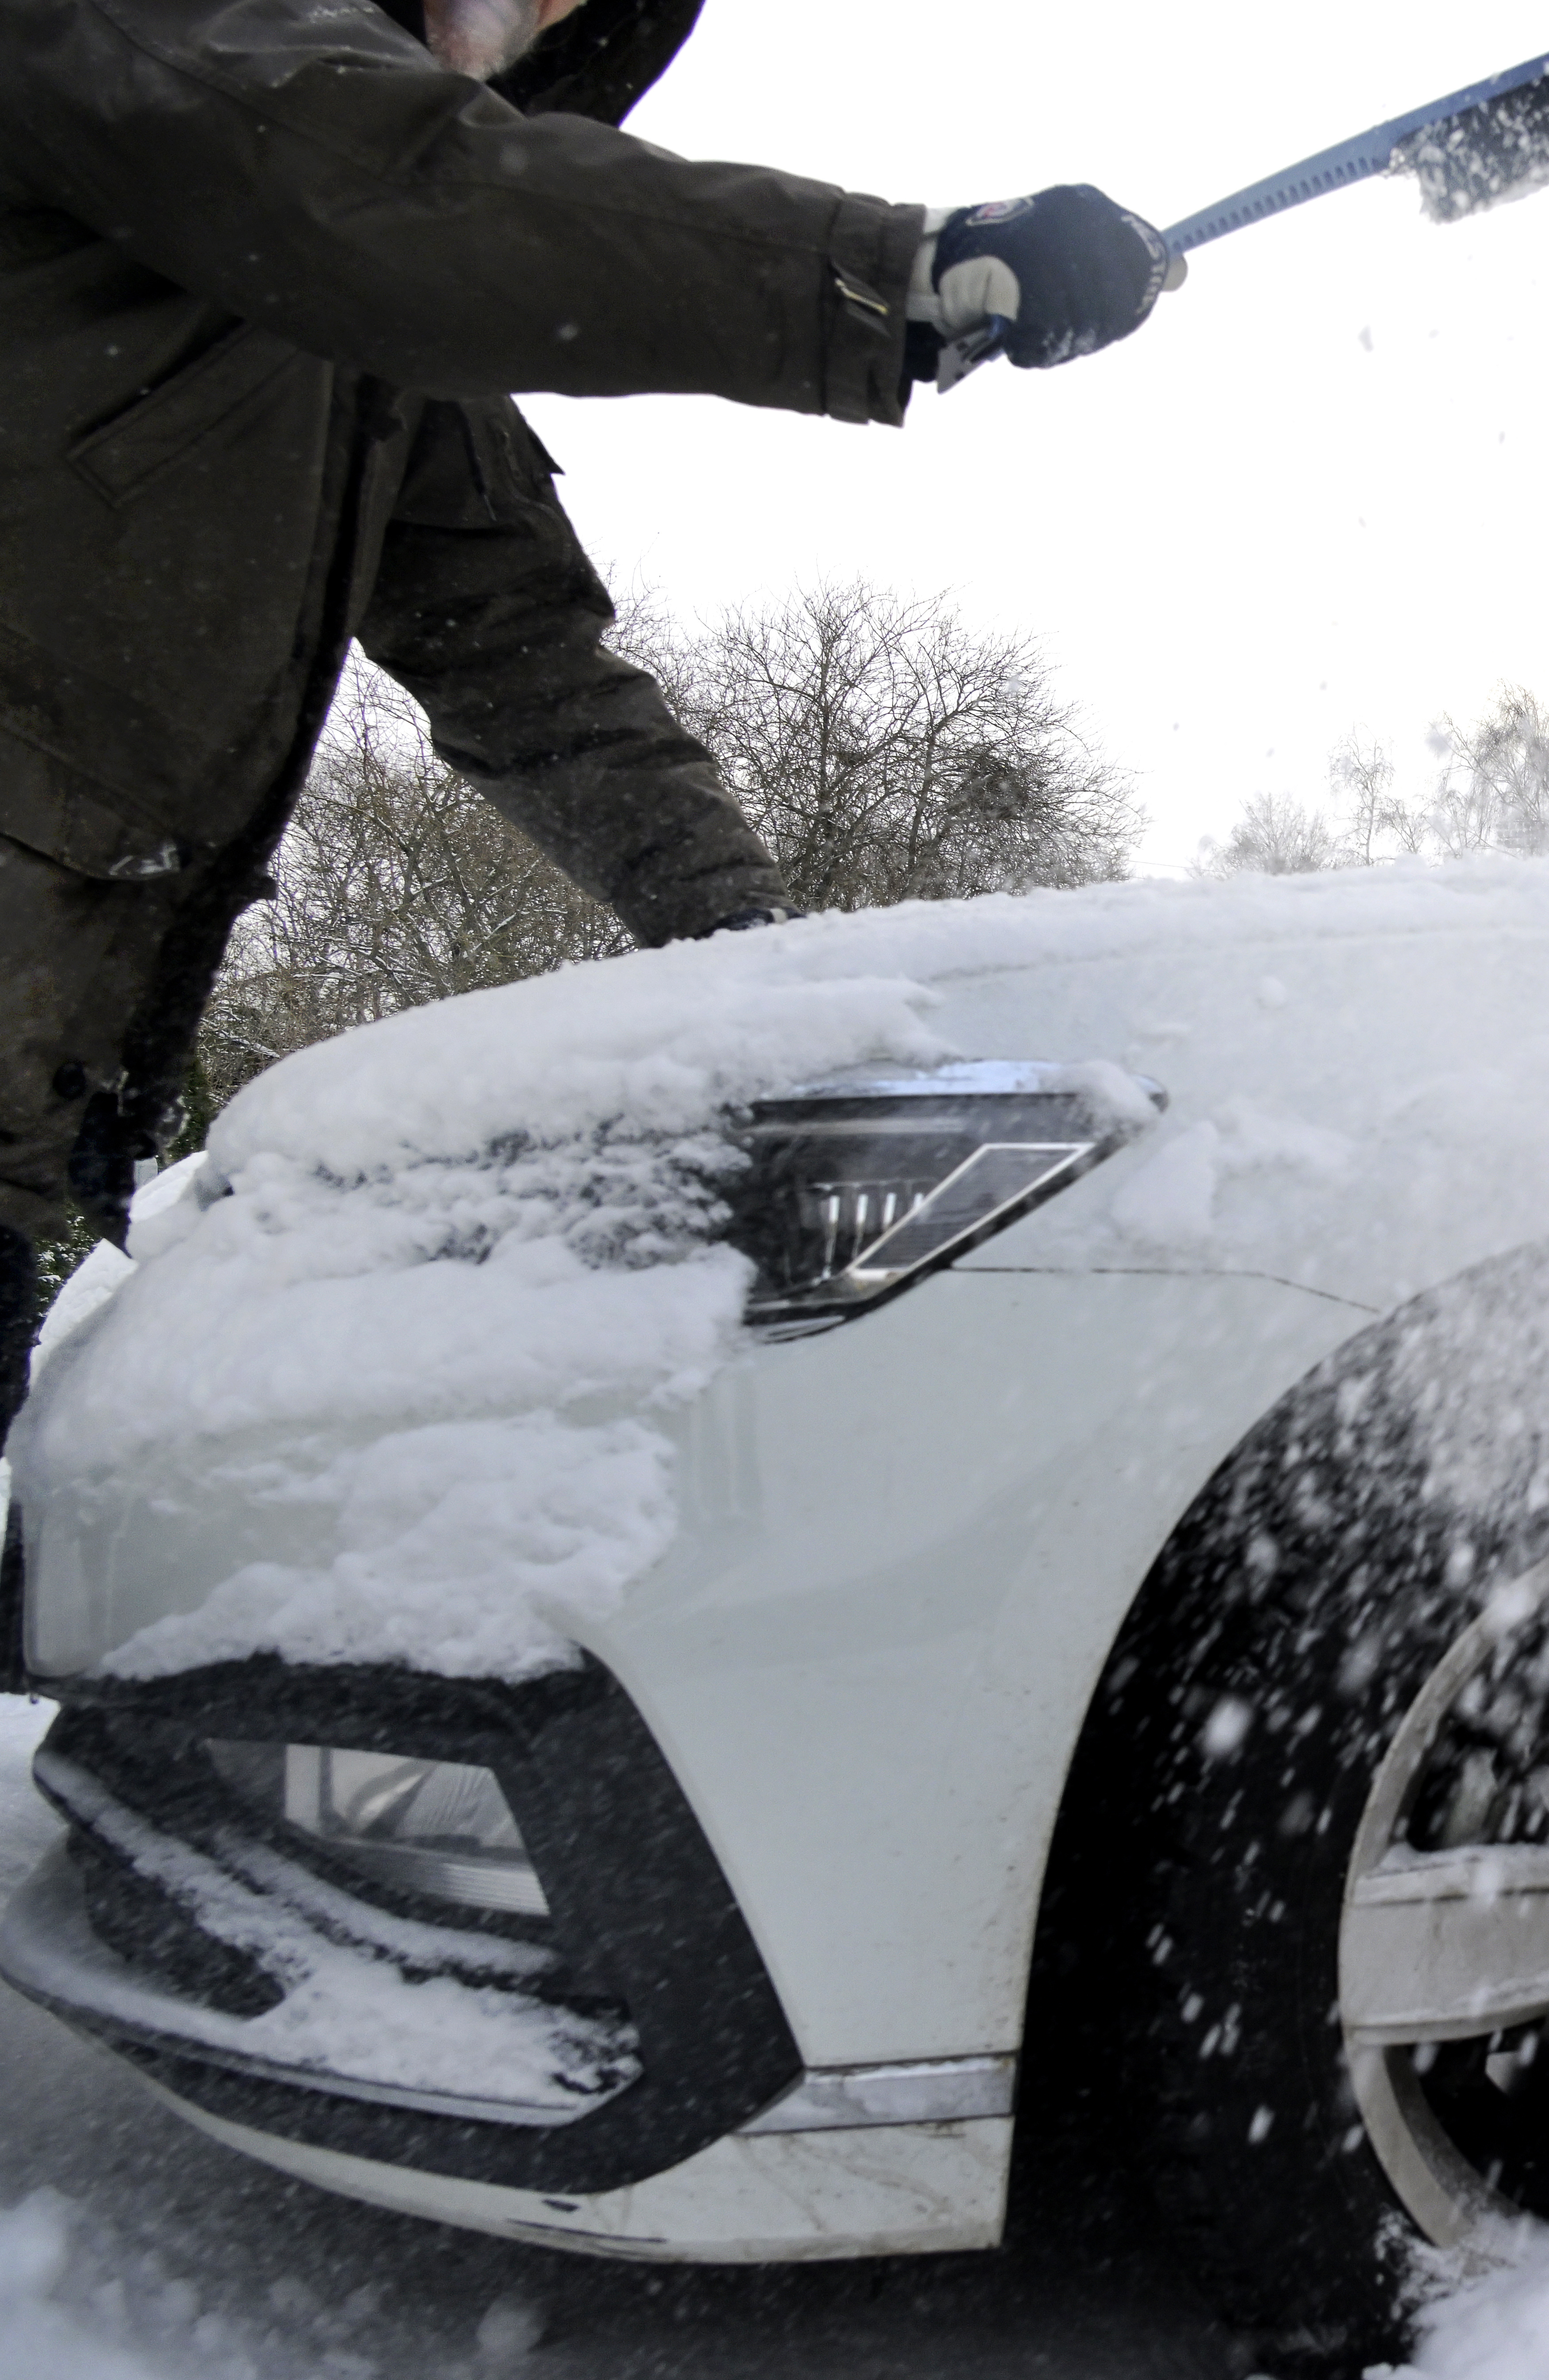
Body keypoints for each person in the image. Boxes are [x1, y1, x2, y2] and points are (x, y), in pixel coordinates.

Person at [0, 0, 1183, 1453]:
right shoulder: (171, 54)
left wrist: (747, 957)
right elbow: (399, 194)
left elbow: (521, 660)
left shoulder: (355, 339)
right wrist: (901, 270)